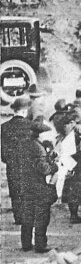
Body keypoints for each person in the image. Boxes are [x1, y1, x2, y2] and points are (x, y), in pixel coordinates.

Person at [19, 122, 58, 252]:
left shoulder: (26, 144)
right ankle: (40, 245)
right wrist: (54, 166)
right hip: (39, 186)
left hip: (26, 185)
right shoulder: (38, 148)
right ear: (42, 134)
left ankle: (26, 244)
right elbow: (43, 169)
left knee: (27, 215)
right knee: (42, 216)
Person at [1, 97, 34, 228]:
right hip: (28, 163)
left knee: (14, 189)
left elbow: (3, 152)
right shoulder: (31, 125)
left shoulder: (4, 127)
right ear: (25, 111)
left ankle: (18, 216)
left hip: (12, 164)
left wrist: (9, 160)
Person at [61, 124, 81, 224]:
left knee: (72, 194)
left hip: (71, 171)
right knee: (79, 192)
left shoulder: (67, 142)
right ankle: (74, 216)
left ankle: (73, 215)